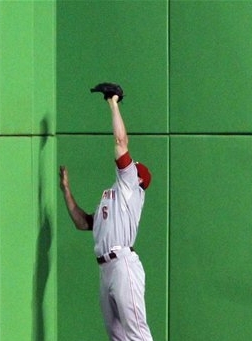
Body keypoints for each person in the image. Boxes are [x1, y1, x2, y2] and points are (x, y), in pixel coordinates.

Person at [59, 85, 154, 341]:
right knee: (117, 336)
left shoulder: (130, 187)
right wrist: (66, 191)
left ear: (138, 178)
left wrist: (113, 103)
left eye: (133, 168)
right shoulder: (110, 198)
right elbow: (82, 222)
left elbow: (120, 142)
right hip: (105, 269)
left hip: (123, 264)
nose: (128, 166)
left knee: (137, 334)